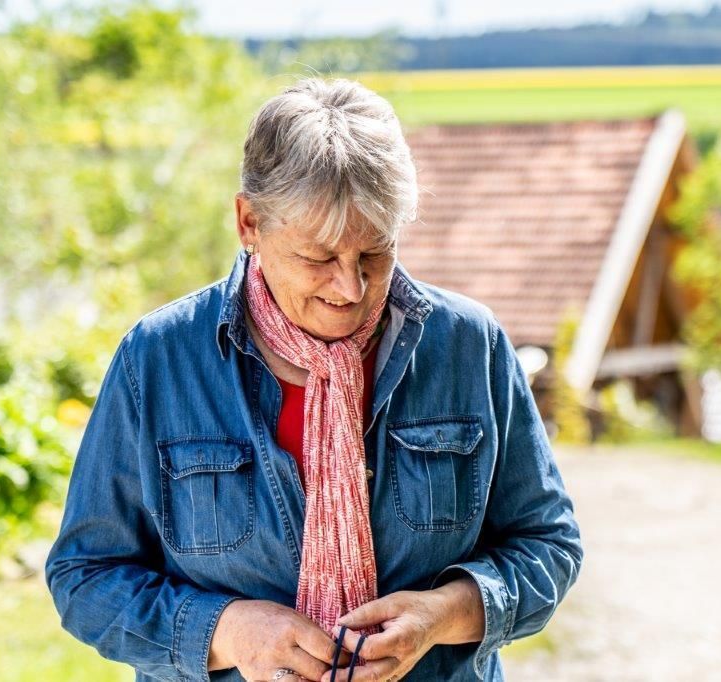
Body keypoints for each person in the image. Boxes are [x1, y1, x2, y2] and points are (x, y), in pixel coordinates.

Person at [45, 76, 583, 682]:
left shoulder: (467, 346)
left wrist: (441, 615)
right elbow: (85, 577)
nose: (350, 289)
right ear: (249, 222)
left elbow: (548, 545)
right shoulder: (159, 358)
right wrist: (224, 631)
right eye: (319, 258)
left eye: (374, 254)